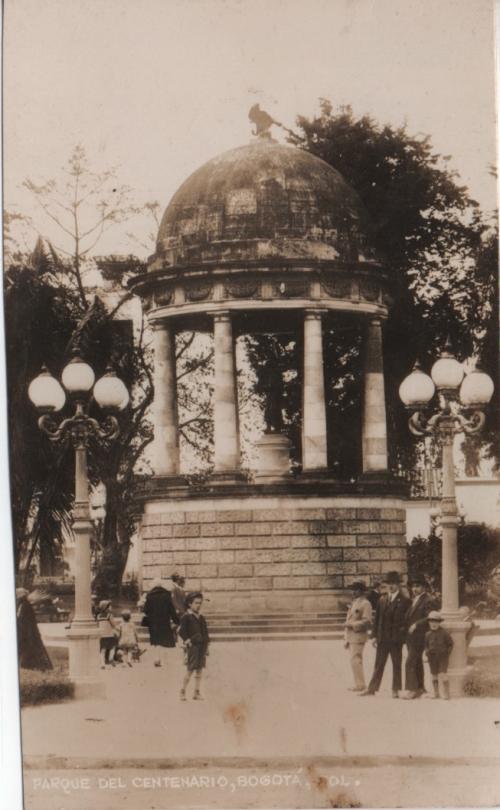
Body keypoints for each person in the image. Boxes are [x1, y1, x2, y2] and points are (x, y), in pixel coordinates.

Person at [359, 571, 410, 698]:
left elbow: (407, 621)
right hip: (382, 638)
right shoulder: (382, 599)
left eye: (394, 584)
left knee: (396, 664)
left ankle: (396, 689)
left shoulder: (405, 601)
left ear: (398, 585)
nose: (391, 586)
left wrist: (402, 636)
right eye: (389, 584)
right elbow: (378, 620)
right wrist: (374, 636)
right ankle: (372, 688)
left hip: (395, 639)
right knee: (379, 664)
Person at [402, 575, 435, 699]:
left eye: (418, 586)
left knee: (410, 662)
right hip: (411, 637)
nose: (415, 589)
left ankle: (411, 689)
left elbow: (431, 617)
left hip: (420, 636)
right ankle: (420, 688)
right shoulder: (414, 600)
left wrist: (416, 624)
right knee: (416, 662)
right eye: (413, 586)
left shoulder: (428, 600)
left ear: (424, 587)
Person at [179, 591, 210, 701]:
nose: (198, 605)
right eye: (196, 603)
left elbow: (205, 632)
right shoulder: (186, 617)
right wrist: (188, 641)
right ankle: (182, 691)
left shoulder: (201, 618)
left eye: (200, 603)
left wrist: (207, 647)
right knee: (190, 669)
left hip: (202, 646)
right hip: (193, 646)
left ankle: (196, 692)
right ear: (189, 604)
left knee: (199, 670)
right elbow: (182, 631)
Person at [343, 581, 373, 692]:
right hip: (352, 635)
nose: (353, 592)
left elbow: (367, 621)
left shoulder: (365, 604)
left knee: (356, 660)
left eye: (355, 590)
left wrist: (351, 624)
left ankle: (360, 684)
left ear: (361, 591)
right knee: (354, 660)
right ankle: (358, 683)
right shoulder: (355, 602)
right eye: (352, 589)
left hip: (359, 635)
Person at [143, 578, 179, 667]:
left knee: (155, 641)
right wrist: (176, 620)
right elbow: (171, 609)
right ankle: (163, 660)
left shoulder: (149, 595)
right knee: (163, 640)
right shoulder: (167, 594)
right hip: (164, 621)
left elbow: (146, 610)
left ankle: (156, 658)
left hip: (153, 621)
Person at [16, 588, 53, 671]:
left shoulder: (24, 604)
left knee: (30, 648)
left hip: (28, 632)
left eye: (18, 594)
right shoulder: (23, 604)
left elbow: (23, 618)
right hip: (27, 631)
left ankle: (36, 665)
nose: (17, 596)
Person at [424, 611, 453, 699]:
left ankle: (446, 693)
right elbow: (426, 645)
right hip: (432, 657)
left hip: (442, 657)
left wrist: (447, 653)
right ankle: (436, 693)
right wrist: (427, 652)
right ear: (429, 623)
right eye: (432, 622)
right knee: (434, 674)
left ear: (439, 622)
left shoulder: (444, 633)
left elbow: (450, 644)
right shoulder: (427, 634)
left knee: (443, 674)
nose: (434, 624)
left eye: (436, 622)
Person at [97, 600, 119, 668]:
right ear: (106, 607)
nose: (111, 607)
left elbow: (98, 625)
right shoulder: (109, 615)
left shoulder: (98, 616)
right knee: (113, 647)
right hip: (110, 634)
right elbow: (114, 625)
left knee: (103, 649)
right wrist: (119, 629)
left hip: (102, 635)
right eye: (109, 606)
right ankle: (111, 658)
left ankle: (102, 663)